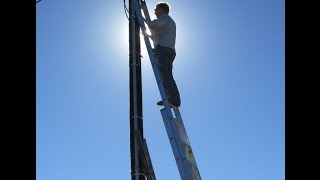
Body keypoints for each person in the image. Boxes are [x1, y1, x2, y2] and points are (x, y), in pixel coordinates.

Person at [144, 2, 181, 108]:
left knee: (164, 74)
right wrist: (148, 33)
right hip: (168, 50)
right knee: (168, 74)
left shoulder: (165, 18)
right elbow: (155, 36)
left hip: (163, 49)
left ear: (162, 9)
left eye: (156, 9)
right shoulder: (168, 22)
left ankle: (171, 98)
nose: (155, 11)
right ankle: (174, 98)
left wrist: (147, 22)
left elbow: (158, 24)